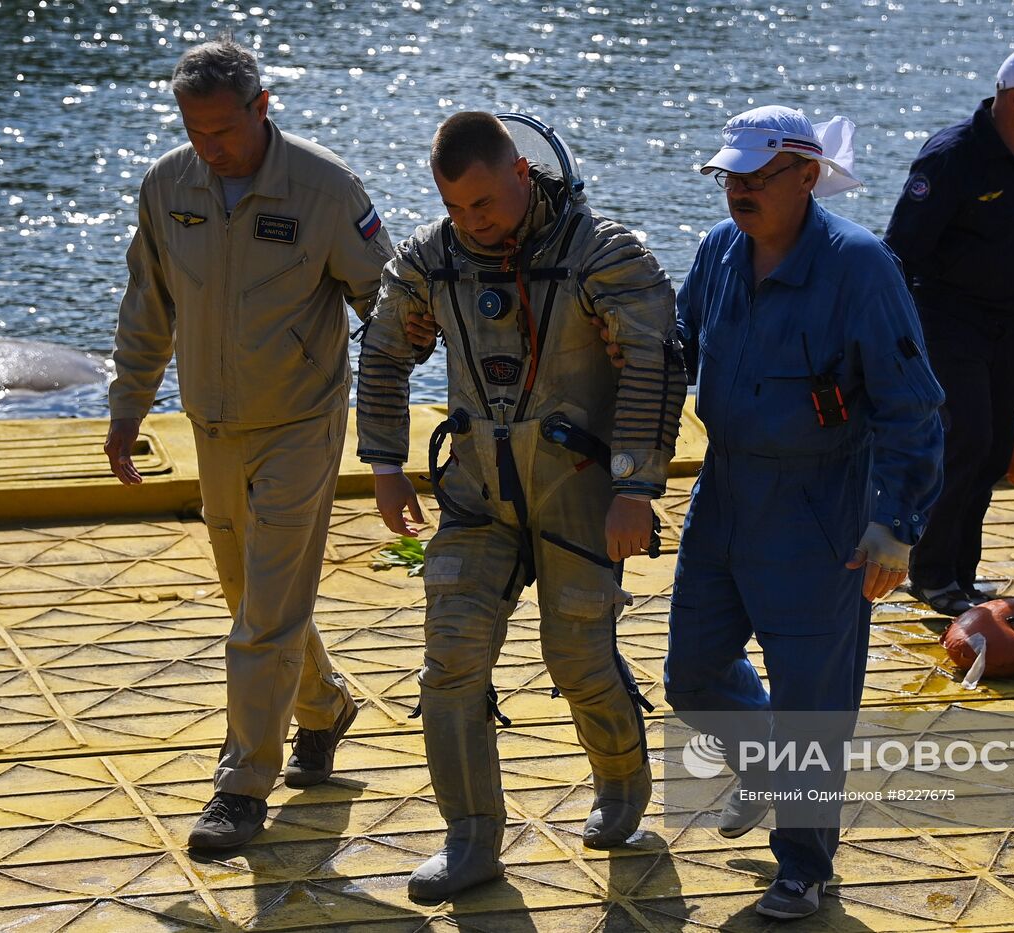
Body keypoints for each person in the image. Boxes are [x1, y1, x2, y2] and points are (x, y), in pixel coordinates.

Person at [355, 111, 686, 902]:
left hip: (581, 492)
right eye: (456, 207)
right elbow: (383, 349)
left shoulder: (604, 253)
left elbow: (654, 361)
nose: (473, 221)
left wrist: (635, 486)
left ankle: (621, 784)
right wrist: (384, 464)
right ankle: (471, 840)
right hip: (477, 493)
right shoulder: (432, 260)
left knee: (576, 657)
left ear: (521, 174)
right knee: (450, 661)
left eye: (484, 204)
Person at [104, 37, 392, 849]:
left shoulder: (324, 188)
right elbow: (147, 303)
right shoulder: (168, 185)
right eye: (195, 131)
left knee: (263, 611)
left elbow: (391, 304)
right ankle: (325, 705)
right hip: (212, 425)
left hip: (302, 421)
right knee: (251, 598)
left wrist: (391, 432)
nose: (210, 147)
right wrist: (129, 405)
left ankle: (241, 785)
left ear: (263, 108)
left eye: (223, 130)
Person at [664, 105, 944, 921]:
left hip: (823, 505)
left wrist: (895, 523)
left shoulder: (860, 267)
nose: (739, 190)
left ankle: (805, 865)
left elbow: (914, 407)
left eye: (756, 177)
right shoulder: (719, 251)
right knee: (691, 671)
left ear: (807, 176)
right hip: (725, 492)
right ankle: (766, 761)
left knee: (813, 698)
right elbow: (679, 341)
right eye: (730, 177)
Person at [884, 45, 1014, 616]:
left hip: (1008, 324)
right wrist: (895, 338)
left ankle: (960, 574)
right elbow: (900, 249)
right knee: (964, 439)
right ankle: (929, 573)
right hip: (948, 320)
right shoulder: (953, 157)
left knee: (996, 449)